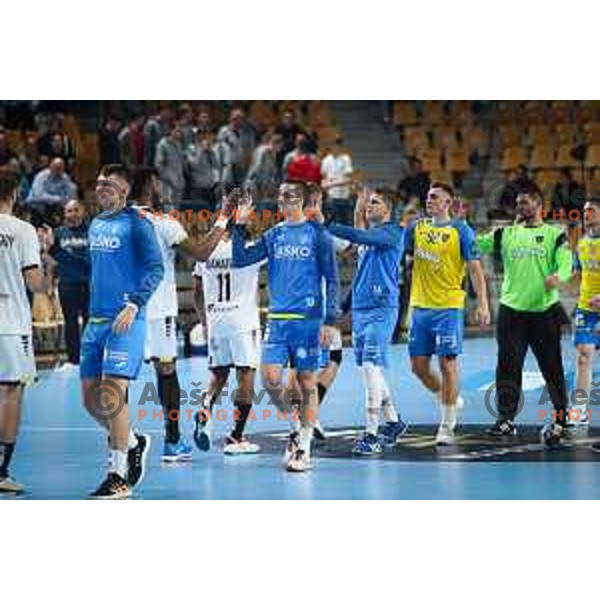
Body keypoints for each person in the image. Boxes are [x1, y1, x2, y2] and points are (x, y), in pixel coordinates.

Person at [232, 182, 339, 472]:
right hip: (278, 320)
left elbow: (332, 278)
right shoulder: (274, 234)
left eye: (289, 195)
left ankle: (303, 448)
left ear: (302, 200)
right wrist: (239, 226)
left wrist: (329, 320)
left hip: (308, 320)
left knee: (306, 382)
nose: (283, 199)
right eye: (280, 196)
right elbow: (240, 259)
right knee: (269, 379)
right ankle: (295, 426)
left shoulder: (318, 235)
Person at [131, 168, 228, 462]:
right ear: (150, 185)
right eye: (159, 183)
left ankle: (119, 442)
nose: (164, 189)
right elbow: (201, 252)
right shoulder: (164, 222)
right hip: (158, 310)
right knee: (167, 371)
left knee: (118, 377)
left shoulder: (118, 220)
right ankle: (172, 441)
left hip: (127, 309)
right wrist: (223, 218)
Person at [80, 164, 164, 499]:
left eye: (109, 184)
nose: (102, 188)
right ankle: (132, 441)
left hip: (126, 319)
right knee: (90, 401)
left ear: (124, 190)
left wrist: (134, 304)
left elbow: (156, 268)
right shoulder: (95, 223)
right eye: (99, 182)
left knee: (113, 394)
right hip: (96, 321)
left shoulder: (138, 224)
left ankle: (117, 476)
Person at [476, 180, 571, 447]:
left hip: (544, 312)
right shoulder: (505, 234)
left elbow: (566, 263)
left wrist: (558, 276)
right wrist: (456, 229)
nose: (520, 206)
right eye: (518, 203)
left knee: (552, 368)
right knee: (508, 366)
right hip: (511, 312)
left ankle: (561, 418)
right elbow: (475, 245)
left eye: (525, 202)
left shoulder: (556, 234)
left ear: (539, 205)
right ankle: (505, 419)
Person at [405, 182, 490, 445]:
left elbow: (475, 269)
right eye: (427, 196)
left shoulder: (461, 231)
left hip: (449, 306)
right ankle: (447, 395)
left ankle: (447, 423)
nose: (428, 200)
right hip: (420, 306)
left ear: (448, 203)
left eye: (434, 197)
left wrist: (483, 303)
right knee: (418, 367)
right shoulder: (416, 228)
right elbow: (402, 255)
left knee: (447, 364)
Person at [328, 188, 407, 454]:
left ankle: (371, 434)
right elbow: (362, 273)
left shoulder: (392, 232)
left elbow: (359, 234)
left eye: (375, 202)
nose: (369, 206)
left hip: (381, 309)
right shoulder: (369, 240)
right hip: (361, 309)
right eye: (368, 202)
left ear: (388, 209)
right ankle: (394, 421)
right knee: (367, 369)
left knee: (372, 367)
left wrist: (329, 225)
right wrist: (345, 305)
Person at [191, 219, 263, 455]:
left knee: (217, 374)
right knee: (246, 375)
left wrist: (204, 321)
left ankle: (204, 409)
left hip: (216, 321)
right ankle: (236, 436)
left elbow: (197, 290)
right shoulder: (249, 248)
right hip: (243, 321)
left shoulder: (206, 250)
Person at [0, 173, 52, 493]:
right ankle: (1, 470)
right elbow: (37, 284)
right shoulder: (23, 230)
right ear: (15, 193)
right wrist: (45, 253)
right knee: (10, 391)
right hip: (9, 323)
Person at [569, 198, 600, 435]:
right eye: (585, 210)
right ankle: (579, 410)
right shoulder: (581, 242)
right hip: (586, 309)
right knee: (583, 356)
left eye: (591, 210)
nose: (586, 213)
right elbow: (578, 273)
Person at [48, 200, 90, 369]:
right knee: (70, 322)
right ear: (65, 214)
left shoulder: (92, 231)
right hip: (66, 284)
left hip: (88, 283)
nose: (72, 214)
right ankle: (73, 360)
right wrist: (50, 281)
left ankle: (90, 358)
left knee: (91, 322)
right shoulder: (58, 233)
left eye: (76, 210)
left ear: (83, 211)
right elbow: (52, 260)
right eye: (69, 211)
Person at [185, 131, 221, 211]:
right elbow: (194, 165)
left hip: (210, 186)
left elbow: (215, 167)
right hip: (197, 186)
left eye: (204, 136)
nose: (203, 138)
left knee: (211, 211)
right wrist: (201, 151)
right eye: (200, 135)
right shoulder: (191, 149)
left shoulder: (211, 151)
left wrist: (217, 182)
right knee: (198, 211)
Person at [321, 138, 354, 224]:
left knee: (346, 223)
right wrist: (327, 190)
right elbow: (324, 180)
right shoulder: (325, 161)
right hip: (332, 197)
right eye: (334, 146)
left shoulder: (346, 159)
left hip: (344, 196)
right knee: (334, 223)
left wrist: (331, 184)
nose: (336, 148)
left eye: (338, 146)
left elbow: (348, 179)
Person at [154, 121, 186, 207]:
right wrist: (169, 178)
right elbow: (158, 164)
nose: (179, 133)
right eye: (177, 131)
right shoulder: (163, 144)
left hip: (179, 184)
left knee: (176, 211)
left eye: (180, 131)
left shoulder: (179, 144)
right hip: (167, 185)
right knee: (167, 210)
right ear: (171, 131)